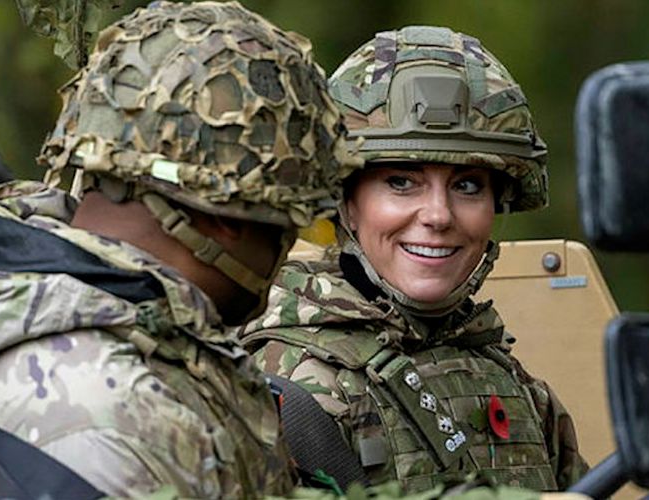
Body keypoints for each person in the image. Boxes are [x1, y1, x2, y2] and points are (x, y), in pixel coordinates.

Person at [0, 1, 357, 497]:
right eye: (286, 222)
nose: (286, 249)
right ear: (229, 216)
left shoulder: (72, 314)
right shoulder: (110, 417)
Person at [240, 25, 587, 493]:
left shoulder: (511, 381)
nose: (439, 216)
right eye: (402, 182)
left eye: (467, 185)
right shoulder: (291, 386)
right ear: (344, 200)